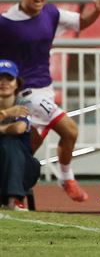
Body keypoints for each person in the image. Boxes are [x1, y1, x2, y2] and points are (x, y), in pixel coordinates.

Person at [0, 0, 100, 202]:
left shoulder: (51, 14)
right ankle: (66, 178)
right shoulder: (6, 23)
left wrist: (97, 12)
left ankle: (15, 193)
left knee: (26, 148)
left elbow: (80, 23)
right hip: (26, 93)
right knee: (70, 129)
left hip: (46, 91)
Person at [0, 60, 41, 211]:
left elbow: (19, 129)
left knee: (10, 143)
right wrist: (7, 113)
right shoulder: (13, 109)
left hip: (23, 167)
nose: (3, 83)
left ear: (17, 83)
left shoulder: (24, 103)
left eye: (8, 79)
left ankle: (14, 198)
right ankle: (13, 199)